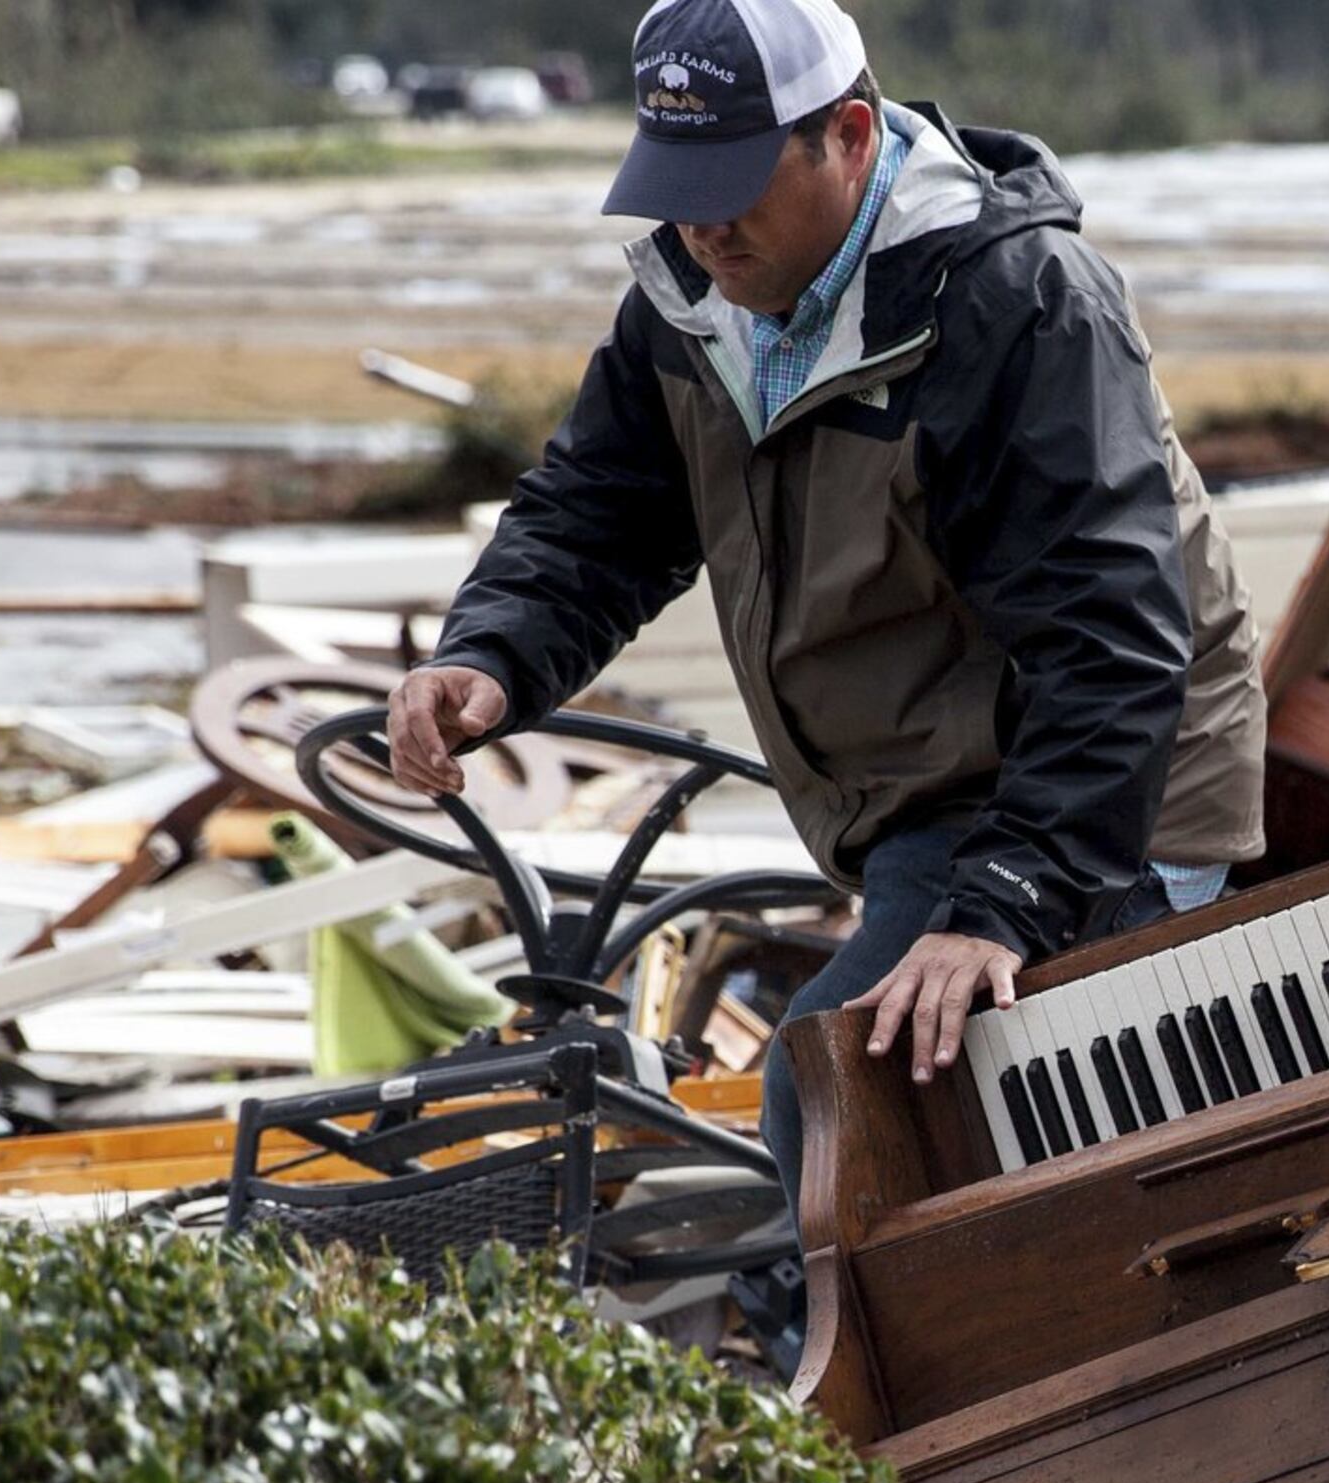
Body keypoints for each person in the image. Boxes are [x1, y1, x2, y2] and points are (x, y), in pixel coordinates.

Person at [385, 0, 1265, 1295]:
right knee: (872, 1103)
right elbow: (600, 512)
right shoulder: (693, 304)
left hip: (1107, 787)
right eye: (677, 188)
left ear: (849, 138)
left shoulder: (1014, 302)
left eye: (733, 188)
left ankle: (900, 1438)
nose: (702, 226)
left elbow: (1116, 642)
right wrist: (496, 653)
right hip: (927, 781)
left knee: (845, 1081)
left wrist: (1005, 907)